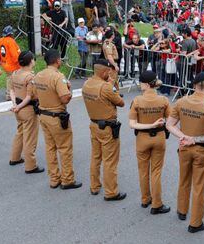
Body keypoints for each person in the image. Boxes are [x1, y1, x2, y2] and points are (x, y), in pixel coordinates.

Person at [166, 72, 204, 233]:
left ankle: (181, 211)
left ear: (193, 85)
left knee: (183, 179)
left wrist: (184, 136)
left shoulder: (182, 101)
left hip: (184, 147)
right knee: (199, 186)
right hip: (201, 151)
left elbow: (169, 125)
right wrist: (194, 139)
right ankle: (195, 222)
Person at [33, 49, 82, 190]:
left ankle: (54, 179)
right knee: (65, 148)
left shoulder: (38, 75)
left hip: (43, 115)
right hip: (56, 117)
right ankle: (67, 180)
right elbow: (65, 98)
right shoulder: (58, 77)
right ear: (57, 61)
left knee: (50, 148)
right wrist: (69, 90)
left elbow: (35, 95)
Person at [82, 59, 125, 200]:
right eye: (108, 71)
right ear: (103, 71)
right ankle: (111, 192)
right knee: (110, 160)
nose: (110, 73)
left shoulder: (87, 83)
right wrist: (112, 84)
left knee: (96, 157)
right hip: (107, 128)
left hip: (93, 125)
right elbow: (121, 102)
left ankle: (94, 186)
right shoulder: (106, 87)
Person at [129, 71, 171, 214]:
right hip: (158, 138)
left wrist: (148, 125)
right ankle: (157, 204)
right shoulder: (164, 100)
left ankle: (145, 199)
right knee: (156, 172)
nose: (140, 85)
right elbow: (170, 121)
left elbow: (132, 124)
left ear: (146, 84)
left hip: (142, 138)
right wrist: (156, 124)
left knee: (143, 171)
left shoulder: (137, 101)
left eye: (141, 82)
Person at [9, 51, 44, 174]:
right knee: (30, 138)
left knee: (20, 133)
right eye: (33, 59)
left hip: (18, 109)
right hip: (28, 110)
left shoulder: (15, 74)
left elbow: (12, 91)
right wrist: (19, 106)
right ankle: (31, 166)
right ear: (30, 62)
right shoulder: (30, 77)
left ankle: (15, 157)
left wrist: (15, 105)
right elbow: (29, 97)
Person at [0, 25, 21, 101]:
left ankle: (11, 94)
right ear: (10, 34)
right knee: (12, 79)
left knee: (9, 78)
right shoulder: (11, 41)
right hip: (13, 65)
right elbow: (15, 55)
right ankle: (10, 95)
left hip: (5, 64)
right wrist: (20, 62)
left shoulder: (1, 40)